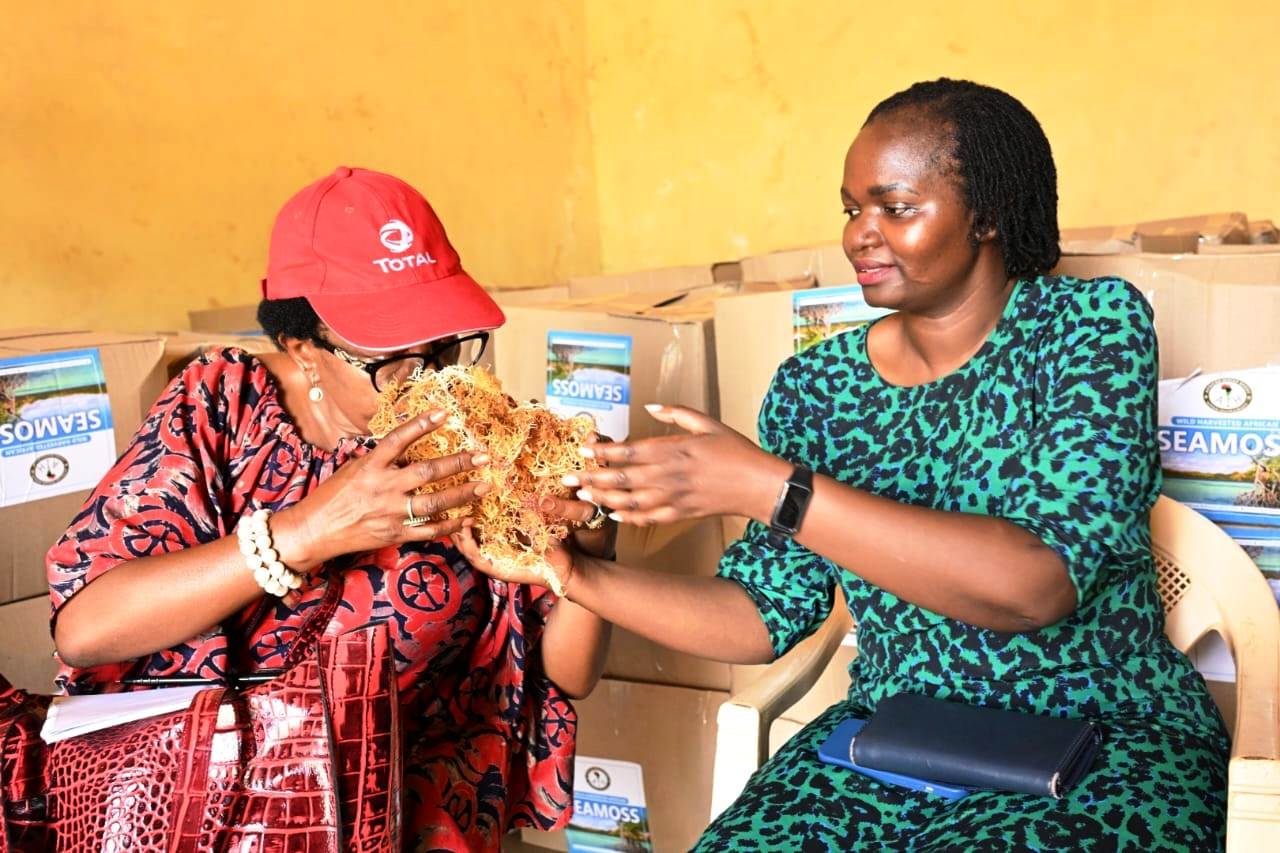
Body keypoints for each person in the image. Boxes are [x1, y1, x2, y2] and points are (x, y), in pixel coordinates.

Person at [455, 80, 1230, 849]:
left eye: (895, 207)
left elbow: (1038, 584)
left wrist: (770, 487)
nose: (861, 232)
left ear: (988, 215)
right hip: (892, 741)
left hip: (1101, 738)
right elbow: (763, 614)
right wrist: (574, 573)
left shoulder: (1088, 330)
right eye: (852, 208)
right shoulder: (817, 387)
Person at [46, 166, 613, 851]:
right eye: (389, 361)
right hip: (213, 817)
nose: (428, 381)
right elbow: (86, 627)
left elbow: (567, 674)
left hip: (415, 822)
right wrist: (307, 531)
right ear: (303, 348)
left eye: (441, 349)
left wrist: (594, 528)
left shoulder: (479, 438)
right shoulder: (221, 410)